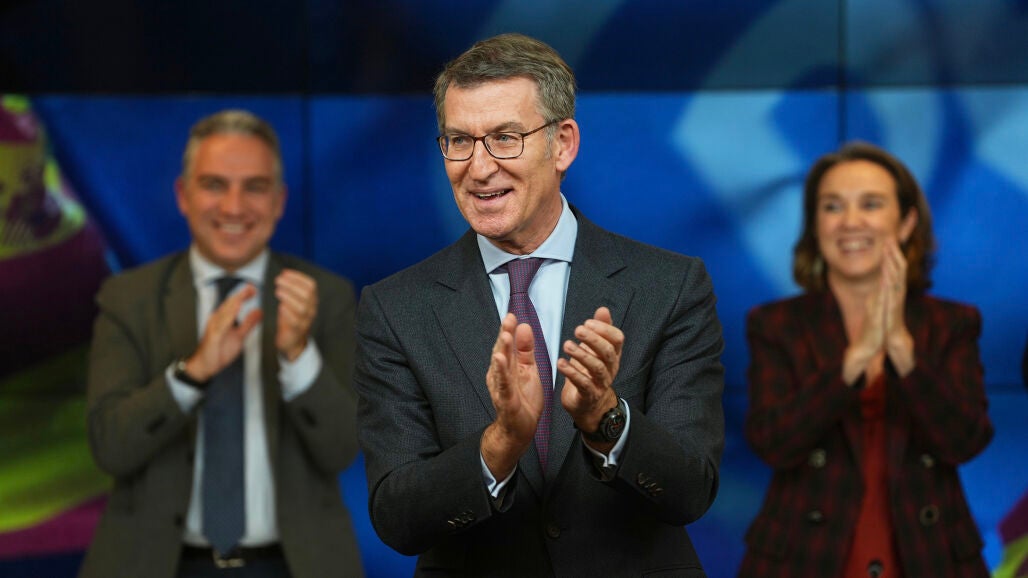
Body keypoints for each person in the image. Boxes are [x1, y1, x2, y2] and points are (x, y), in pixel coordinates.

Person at [353, 33, 725, 577]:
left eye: (504, 138)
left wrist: (604, 417)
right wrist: (502, 442)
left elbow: (692, 490)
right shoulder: (395, 309)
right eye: (459, 141)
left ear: (563, 144)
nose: (479, 168)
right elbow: (398, 518)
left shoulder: (669, 287)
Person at [80, 110, 364, 578]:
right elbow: (110, 448)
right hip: (159, 565)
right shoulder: (128, 298)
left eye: (255, 187)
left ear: (279, 201)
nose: (234, 207)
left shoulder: (326, 297)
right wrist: (191, 373)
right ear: (183, 196)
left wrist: (298, 358)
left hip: (290, 566)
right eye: (214, 185)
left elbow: (341, 451)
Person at [738, 141, 993, 578]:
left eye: (871, 204)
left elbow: (965, 441)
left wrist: (903, 352)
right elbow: (772, 443)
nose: (850, 222)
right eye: (832, 206)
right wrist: (851, 364)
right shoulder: (775, 324)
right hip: (804, 558)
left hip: (931, 556)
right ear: (815, 225)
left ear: (907, 222)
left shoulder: (953, 323)